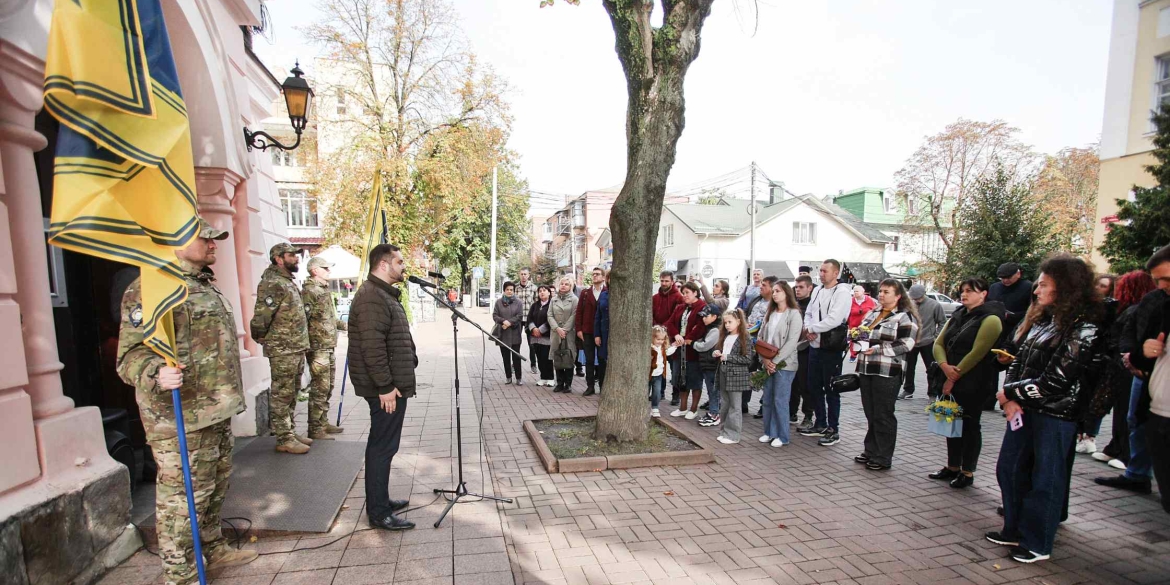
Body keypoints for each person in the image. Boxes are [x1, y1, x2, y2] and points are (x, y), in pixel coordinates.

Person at [117, 218, 258, 584]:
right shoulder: (151, 289)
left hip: (215, 409)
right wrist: (154, 372)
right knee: (182, 500)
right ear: (176, 242)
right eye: (205, 238)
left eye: (214, 239)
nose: (213, 245)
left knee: (214, 485)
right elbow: (129, 356)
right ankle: (180, 573)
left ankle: (210, 548)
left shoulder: (203, 286)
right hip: (179, 417)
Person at [987, 254, 1103, 563]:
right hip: (1024, 409)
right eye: (1038, 284)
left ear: (1066, 288)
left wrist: (1010, 393)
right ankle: (1013, 529)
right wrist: (1009, 395)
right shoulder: (1043, 320)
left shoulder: (1083, 328)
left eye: (1045, 285)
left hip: (1056, 414)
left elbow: (1056, 381)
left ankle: (1037, 542)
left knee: (1045, 479)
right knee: (1009, 469)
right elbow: (1018, 361)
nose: (1037, 291)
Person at [348, 243, 418, 532]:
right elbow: (372, 348)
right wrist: (386, 386)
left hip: (390, 385)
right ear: (384, 265)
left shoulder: (382, 294)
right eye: (399, 262)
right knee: (381, 448)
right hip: (384, 389)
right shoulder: (371, 297)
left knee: (386, 447)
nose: (404, 267)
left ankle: (382, 500)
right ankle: (378, 513)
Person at [927, 278, 1005, 488]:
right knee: (949, 421)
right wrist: (944, 366)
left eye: (970, 291)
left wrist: (953, 377)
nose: (964, 294)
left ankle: (967, 471)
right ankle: (952, 466)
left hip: (973, 380)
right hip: (948, 374)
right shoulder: (959, 314)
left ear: (984, 294)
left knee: (970, 426)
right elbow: (938, 343)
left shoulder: (991, 319)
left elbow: (978, 353)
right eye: (962, 291)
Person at [1093, 271, 1156, 488]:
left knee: (1134, 416)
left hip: (1138, 370)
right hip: (1129, 366)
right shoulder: (1140, 307)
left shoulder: (1142, 308)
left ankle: (1129, 458)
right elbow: (1126, 335)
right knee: (1130, 416)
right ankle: (1127, 459)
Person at [250, 242, 312, 454]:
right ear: (279, 258)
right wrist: (262, 337)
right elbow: (261, 316)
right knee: (282, 393)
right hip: (282, 348)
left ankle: (290, 431)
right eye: (291, 255)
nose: (296, 258)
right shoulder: (272, 283)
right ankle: (283, 437)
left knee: (293, 390)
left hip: (295, 346)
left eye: (296, 255)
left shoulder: (286, 281)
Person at [852, 279, 919, 470]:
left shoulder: (905, 317)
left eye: (886, 292)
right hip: (867, 368)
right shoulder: (873, 312)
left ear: (898, 296)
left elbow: (907, 344)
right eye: (880, 291)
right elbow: (861, 333)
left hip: (888, 370)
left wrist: (879, 349)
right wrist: (855, 337)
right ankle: (871, 450)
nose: (881, 295)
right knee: (871, 412)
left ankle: (883, 456)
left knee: (883, 414)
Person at [1122, 245, 1170, 511]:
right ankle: (1137, 473)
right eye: (1158, 280)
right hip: (1157, 412)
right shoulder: (1160, 303)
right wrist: (1141, 353)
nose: (1162, 285)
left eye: (1167, 278)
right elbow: (1140, 348)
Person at [802, 259, 853, 446]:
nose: (821, 274)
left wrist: (813, 329)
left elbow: (835, 319)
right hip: (815, 345)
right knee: (813, 385)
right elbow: (808, 312)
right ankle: (820, 422)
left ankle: (833, 428)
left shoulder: (842, 292)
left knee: (832, 388)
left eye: (825, 271)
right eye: (820, 271)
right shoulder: (816, 290)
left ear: (835, 273)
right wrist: (808, 328)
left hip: (831, 347)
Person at [302, 256, 346, 440]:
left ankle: (322, 421)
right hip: (317, 346)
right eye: (325, 268)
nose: (329, 271)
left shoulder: (323, 290)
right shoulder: (309, 291)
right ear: (315, 270)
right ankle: (315, 427)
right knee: (319, 387)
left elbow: (328, 318)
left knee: (328, 386)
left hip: (328, 345)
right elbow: (303, 318)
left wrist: (345, 325)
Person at [757, 280, 803, 448]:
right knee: (767, 398)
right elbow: (761, 338)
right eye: (773, 291)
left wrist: (775, 361)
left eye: (778, 291)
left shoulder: (793, 314)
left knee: (780, 399)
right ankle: (769, 431)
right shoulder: (770, 313)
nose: (774, 293)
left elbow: (792, 342)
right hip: (768, 361)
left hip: (785, 364)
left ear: (786, 293)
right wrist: (765, 359)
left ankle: (782, 435)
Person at [714, 308, 756, 444]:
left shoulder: (745, 337)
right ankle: (724, 431)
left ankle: (733, 435)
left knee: (735, 406)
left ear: (738, 321)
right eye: (725, 322)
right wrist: (717, 352)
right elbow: (722, 352)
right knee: (725, 404)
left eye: (730, 322)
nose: (727, 325)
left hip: (736, 375)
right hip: (723, 371)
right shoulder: (725, 336)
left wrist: (728, 357)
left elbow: (748, 359)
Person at [668, 282, 709, 418]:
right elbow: (671, 323)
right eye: (683, 293)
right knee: (680, 378)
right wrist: (676, 335)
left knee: (695, 379)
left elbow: (700, 327)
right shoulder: (680, 307)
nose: (684, 296)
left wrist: (688, 338)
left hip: (693, 350)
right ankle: (683, 407)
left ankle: (693, 409)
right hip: (679, 348)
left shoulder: (702, 307)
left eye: (687, 293)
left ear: (695, 292)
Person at [900, 284, 947, 400]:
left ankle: (932, 393)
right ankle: (908, 390)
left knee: (931, 368)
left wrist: (935, 336)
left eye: (918, 298)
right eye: (913, 298)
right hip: (911, 341)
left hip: (928, 341)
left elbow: (942, 322)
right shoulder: (908, 305)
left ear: (924, 294)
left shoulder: (934, 305)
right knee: (909, 367)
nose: (916, 300)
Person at [746, 276, 780, 417]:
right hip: (750, 341)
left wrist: (756, 328)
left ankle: (764, 405)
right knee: (747, 372)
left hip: (764, 345)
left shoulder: (774, 305)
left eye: (764, 285)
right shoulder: (756, 300)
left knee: (764, 374)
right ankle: (743, 403)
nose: (761, 287)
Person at [653, 271, 686, 405]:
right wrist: (656, 327)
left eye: (666, 281)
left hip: (671, 336)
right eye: (662, 280)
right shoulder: (655, 297)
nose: (664, 283)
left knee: (674, 367)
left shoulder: (678, 297)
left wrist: (665, 329)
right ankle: (659, 392)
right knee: (657, 363)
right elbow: (651, 313)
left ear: (672, 281)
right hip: (656, 335)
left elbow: (676, 316)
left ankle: (675, 394)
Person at [576, 267, 607, 396]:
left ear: (603, 277)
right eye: (593, 274)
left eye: (598, 274)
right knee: (589, 360)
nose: (595, 276)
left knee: (602, 359)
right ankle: (590, 386)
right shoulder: (585, 293)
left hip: (602, 331)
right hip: (587, 330)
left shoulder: (607, 291)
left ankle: (602, 386)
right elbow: (579, 312)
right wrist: (579, 329)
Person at [791, 275, 815, 428]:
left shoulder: (813, 305)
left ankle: (808, 414)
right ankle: (791, 412)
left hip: (806, 348)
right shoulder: (793, 305)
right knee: (792, 383)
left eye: (801, 287)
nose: (797, 290)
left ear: (809, 288)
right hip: (791, 348)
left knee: (805, 383)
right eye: (796, 287)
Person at [693, 305, 723, 427]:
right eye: (703, 316)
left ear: (714, 317)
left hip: (712, 365)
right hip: (708, 364)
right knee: (712, 390)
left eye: (706, 316)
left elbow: (705, 345)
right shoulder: (710, 329)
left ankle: (714, 414)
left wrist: (694, 344)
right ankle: (713, 412)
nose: (704, 318)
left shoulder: (715, 330)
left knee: (713, 391)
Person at [548, 276, 579, 393]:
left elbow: (574, 315)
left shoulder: (574, 299)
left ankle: (568, 384)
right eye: (562, 284)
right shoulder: (553, 299)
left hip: (568, 333)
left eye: (566, 284)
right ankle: (559, 383)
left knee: (569, 357)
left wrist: (564, 330)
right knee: (557, 356)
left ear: (570, 286)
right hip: (556, 333)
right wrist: (557, 328)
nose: (563, 286)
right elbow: (549, 315)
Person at [492, 281, 525, 385]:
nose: (510, 291)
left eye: (511, 290)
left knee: (516, 356)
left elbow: (519, 316)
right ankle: (508, 377)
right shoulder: (498, 302)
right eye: (507, 290)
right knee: (505, 357)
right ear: (504, 290)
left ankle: (518, 378)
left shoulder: (519, 302)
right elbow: (495, 315)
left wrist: (509, 322)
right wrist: (503, 321)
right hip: (503, 334)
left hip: (515, 333)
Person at [528, 285, 556, 387]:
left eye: (544, 291)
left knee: (547, 358)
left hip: (546, 337)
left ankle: (551, 378)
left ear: (549, 293)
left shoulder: (552, 305)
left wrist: (540, 330)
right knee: (539, 358)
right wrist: (533, 329)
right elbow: (529, 318)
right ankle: (543, 377)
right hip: (535, 337)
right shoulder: (535, 305)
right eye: (540, 291)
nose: (542, 292)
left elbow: (551, 320)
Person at [649, 326, 677, 418]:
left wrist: (675, 346)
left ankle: (655, 407)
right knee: (645, 391)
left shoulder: (662, 348)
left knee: (657, 392)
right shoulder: (650, 348)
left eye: (662, 339)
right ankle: (644, 407)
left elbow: (668, 352)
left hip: (658, 374)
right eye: (658, 339)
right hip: (648, 374)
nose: (660, 341)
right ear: (653, 338)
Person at [516, 268, 539, 374]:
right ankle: (514, 363)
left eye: (525, 274)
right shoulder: (515, 288)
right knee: (516, 342)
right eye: (521, 274)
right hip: (518, 319)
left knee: (532, 344)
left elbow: (537, 305)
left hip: (530, 320)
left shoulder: (534, 288)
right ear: (519, 275)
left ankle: (533, 365)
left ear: (529, 275)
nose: (523, 276)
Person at [847, 285, 877, 362]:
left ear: (863, 292)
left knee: (865, 339)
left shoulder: (870, 300)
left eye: (857, 291)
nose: (855, 293)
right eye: (854, 291)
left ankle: (864, 353)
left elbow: (874, 311)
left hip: (866, 325)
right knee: (853, 340)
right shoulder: (851, 300)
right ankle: (853, 355)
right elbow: (847, 312)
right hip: (853, 324)